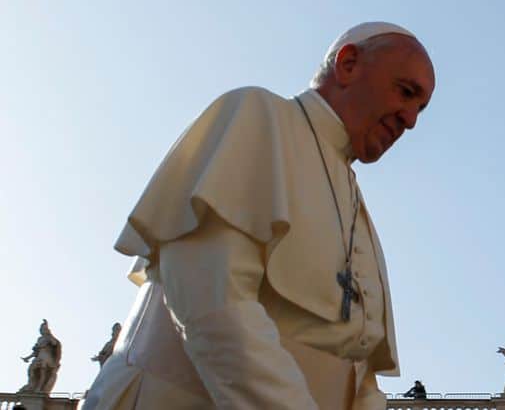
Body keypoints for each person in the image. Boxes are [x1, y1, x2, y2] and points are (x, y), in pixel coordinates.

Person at [82, 22, 436, 410]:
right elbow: (213, 299)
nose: (411, 120)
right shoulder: (258, 115)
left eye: (420, 108)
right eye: (405, 92)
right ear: (348, 64)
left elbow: (358, 368)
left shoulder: (356, 208)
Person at [20, 319, 62, 393]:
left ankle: (40, 388)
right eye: (42, 329)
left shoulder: (49, 337)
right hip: (39, 356)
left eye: (44, 329)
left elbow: (55, 344)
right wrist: (27, 358)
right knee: (31, 370)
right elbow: (36, 351)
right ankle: (32, 385)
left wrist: (50, 336)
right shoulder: (40, 339)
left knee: (43, 372)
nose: (43, 330)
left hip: (46, 357)